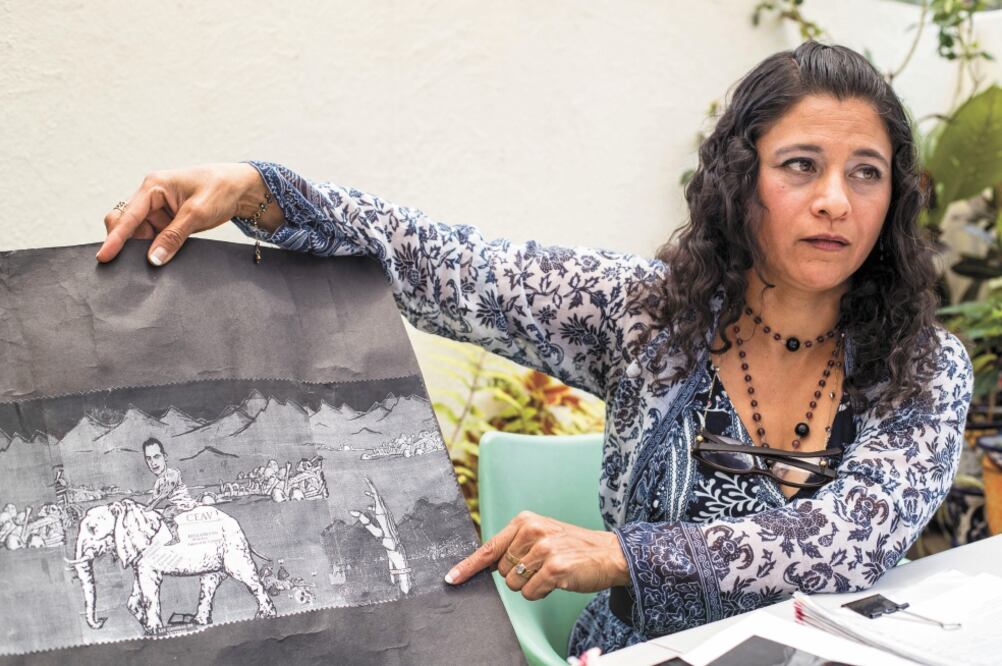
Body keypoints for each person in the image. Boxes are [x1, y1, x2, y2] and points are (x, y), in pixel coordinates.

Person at [97, 42, 973, 655]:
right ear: (743, 181)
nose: (834, 200)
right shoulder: (649, 315)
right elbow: (451, 267)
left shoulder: (925, 368)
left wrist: (620, 554)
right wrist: (256, 191)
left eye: (865, 171)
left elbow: (845, 545)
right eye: (801, 165)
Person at [141, 437, 197, 546]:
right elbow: (154, 497)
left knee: (167, 513)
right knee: (163, 510)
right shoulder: (159, 482)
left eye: (156, 457)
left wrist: (151, 507)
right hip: (175, 505)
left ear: (165, 457)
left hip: (184, 504)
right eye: (149, 459)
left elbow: (164, 494)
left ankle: (175, 537)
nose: (153, 463)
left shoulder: (172, 474)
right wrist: (144, 508)